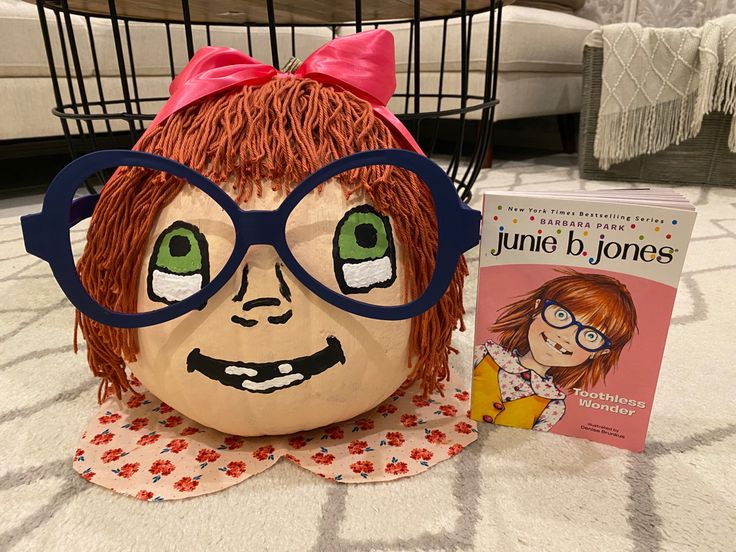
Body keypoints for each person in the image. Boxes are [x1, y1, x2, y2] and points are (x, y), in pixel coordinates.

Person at [471, 269, 637, 431]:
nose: (566, 336)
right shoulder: (483, 355)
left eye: (590, 335)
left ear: (599, 352)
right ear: (537, 308)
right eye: (561, 315)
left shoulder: (553, 405)